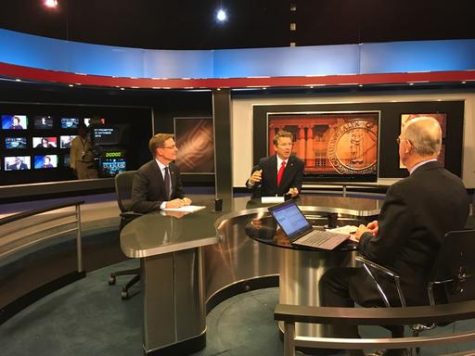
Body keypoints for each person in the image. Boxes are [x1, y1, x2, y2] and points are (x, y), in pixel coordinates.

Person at [319, 117, 470, 355]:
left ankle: (353, 353)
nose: (398, 145)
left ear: (407, 146)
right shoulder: (457, 185)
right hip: (445, 290)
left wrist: (362, 235)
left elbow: (378, 252)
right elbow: (429, 231)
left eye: (399, 140)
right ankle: (398, 350)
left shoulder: (404, 190)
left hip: (406, 292)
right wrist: (387, 226)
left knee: (333, 281)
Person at [131, 133, 192, 214]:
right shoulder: (144, 172)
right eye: (171, 147)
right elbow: (137, 204)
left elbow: (179, 193)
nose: (176, 149)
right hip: (151, 218)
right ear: (160, 151)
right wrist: (165, 205)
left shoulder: (174, 169)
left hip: (171, 215)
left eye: (175, 146)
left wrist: (184, 199)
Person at [246, 130, 304, 199]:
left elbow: (297, 185)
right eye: (284, 144)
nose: (288, 147)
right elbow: (252, 187)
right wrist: (251, 182)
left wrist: (294, 191)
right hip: (266, 202)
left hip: (286, 202)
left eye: (290, 144)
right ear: (275, 147)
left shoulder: (298, 164)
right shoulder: (264, 163)